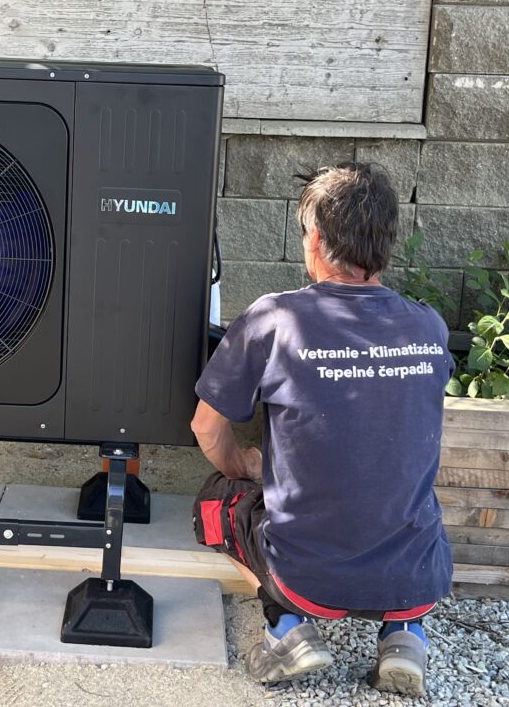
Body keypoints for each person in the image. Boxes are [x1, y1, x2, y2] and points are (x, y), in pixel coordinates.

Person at [191, 163, 454, 697]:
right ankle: (405, 634)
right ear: (385, 243)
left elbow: (206, 427)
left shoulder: (273, 320)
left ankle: (288, 625)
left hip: (307, 577)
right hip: (416, 576)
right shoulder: (428, 325)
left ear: (315, 239)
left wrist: (243, 467)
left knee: (214, 502)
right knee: (408, 507)